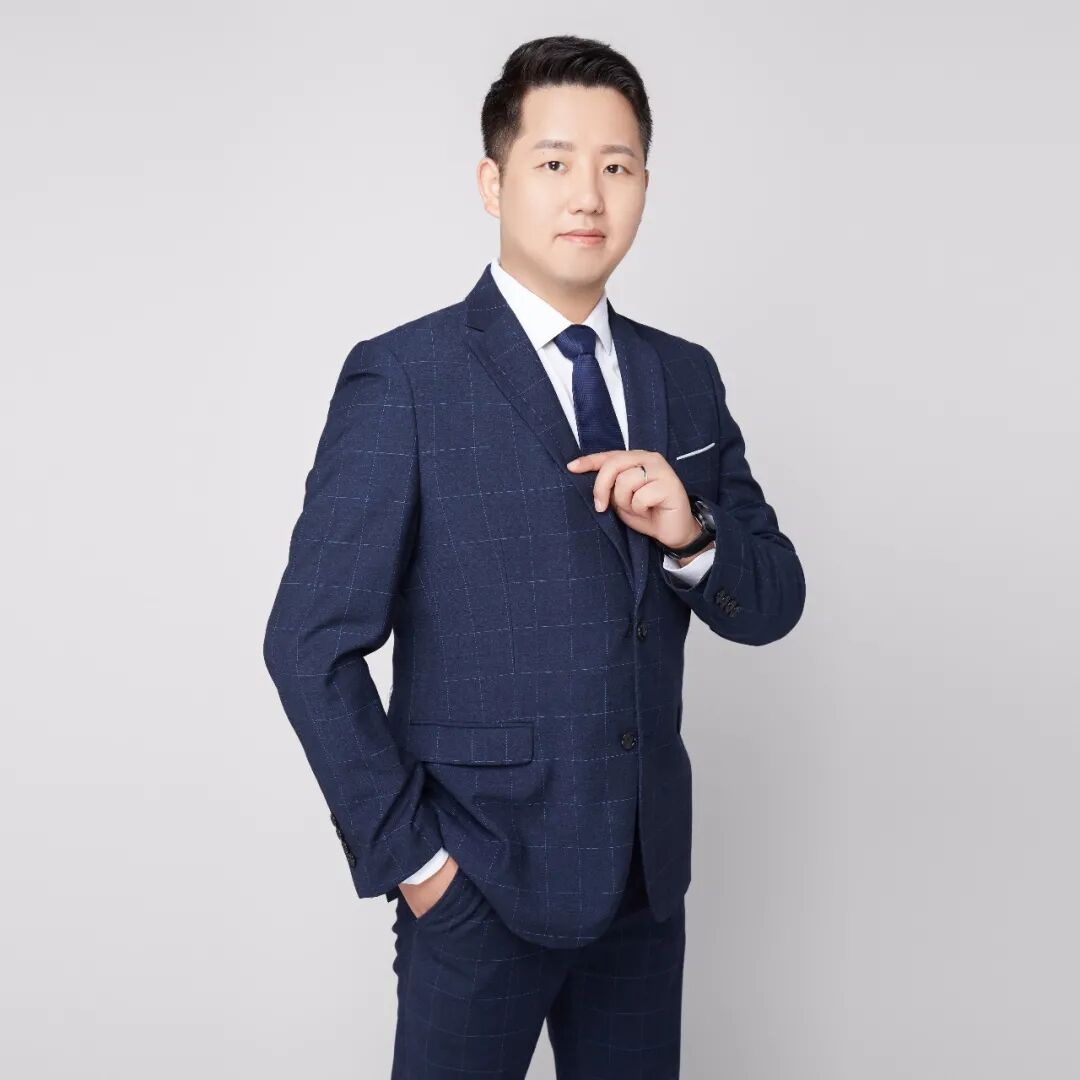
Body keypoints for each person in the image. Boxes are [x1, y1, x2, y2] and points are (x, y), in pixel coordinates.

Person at [262, 33, 805, 1079]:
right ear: (493, 183)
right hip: (478, 888)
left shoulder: (684, 377)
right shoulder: (404, 378)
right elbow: (306, 645)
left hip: (643, 887)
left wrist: (691, 534)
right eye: (554, 162)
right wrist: (418, 864)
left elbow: (774, 601)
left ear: (644, 186)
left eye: (617, 166)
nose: (588, 194)